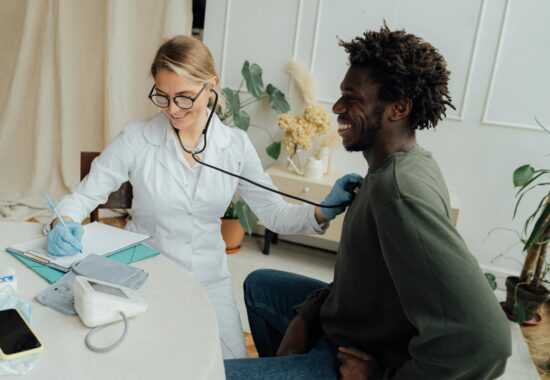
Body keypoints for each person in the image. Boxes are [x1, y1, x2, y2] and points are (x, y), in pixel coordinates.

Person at [45, 35, 362, 359]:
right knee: (143, 362)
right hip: (143, 274)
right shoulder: (137, 137)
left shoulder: (234, 146)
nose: (172, 109)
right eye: (162, 96)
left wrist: (321, 212)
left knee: (229, 366)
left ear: (211, 85)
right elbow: (83, 196)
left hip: (209, 282)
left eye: (183, 97)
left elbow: (272, 212)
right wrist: (63, 221)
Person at [224, 24, 512, 379]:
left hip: (357, 355)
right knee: (260, 285)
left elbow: (487, 341)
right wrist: (308, 315)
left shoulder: (399, 192)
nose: (339, 107)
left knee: (207, 374)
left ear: (398, 108)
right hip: (354, 327)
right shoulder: (402, 165)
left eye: (353, 97)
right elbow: (364, 279)